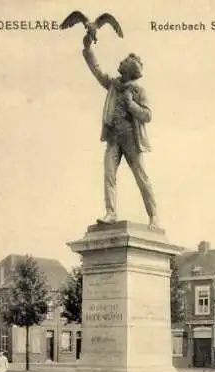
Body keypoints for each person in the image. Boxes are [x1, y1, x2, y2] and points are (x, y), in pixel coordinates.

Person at [82, 34, 159, 229]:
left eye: (124, 62)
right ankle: (111, 213)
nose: (120, 62)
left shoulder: (139, 91)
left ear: (131, 70)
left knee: (142, 178)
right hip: (114, 139)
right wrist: (88, 49)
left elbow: (148, 115)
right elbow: (97, 71)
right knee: (108, 174)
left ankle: (154, 217)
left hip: (132, 139)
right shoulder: (113, 84)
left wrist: (131, 105)